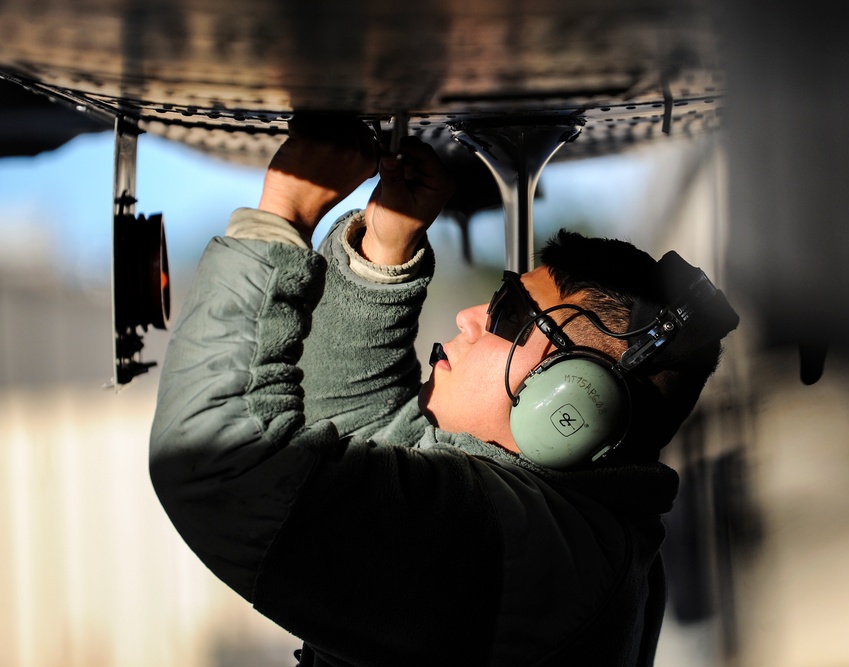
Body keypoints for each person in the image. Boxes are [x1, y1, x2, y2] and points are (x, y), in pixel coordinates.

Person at [149, 116, 738, 667]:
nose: (468, 315)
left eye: (508, 315)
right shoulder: (577, 541)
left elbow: (219, 463)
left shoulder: (515, 560)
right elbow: (362, 441)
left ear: (572, 402)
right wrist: (381, 256)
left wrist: (282, 218)